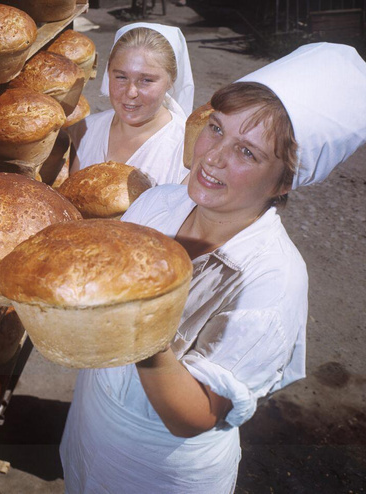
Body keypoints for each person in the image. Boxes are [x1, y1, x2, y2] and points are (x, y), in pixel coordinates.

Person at [60, 43, 366, 493]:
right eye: (216, 129)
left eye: (248, 152)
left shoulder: (272, 278)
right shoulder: (159, 202)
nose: (214, 156)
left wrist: (138, 325)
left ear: (285, 179)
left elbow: (194, 416)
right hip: (94, 416)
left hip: (158, 465)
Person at [68, 23, 194, 185]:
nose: (131, 92)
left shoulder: (185, 151)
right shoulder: (86, 129)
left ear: (170, 81)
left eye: (146, 80)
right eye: (121, 77)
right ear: (108, 73)